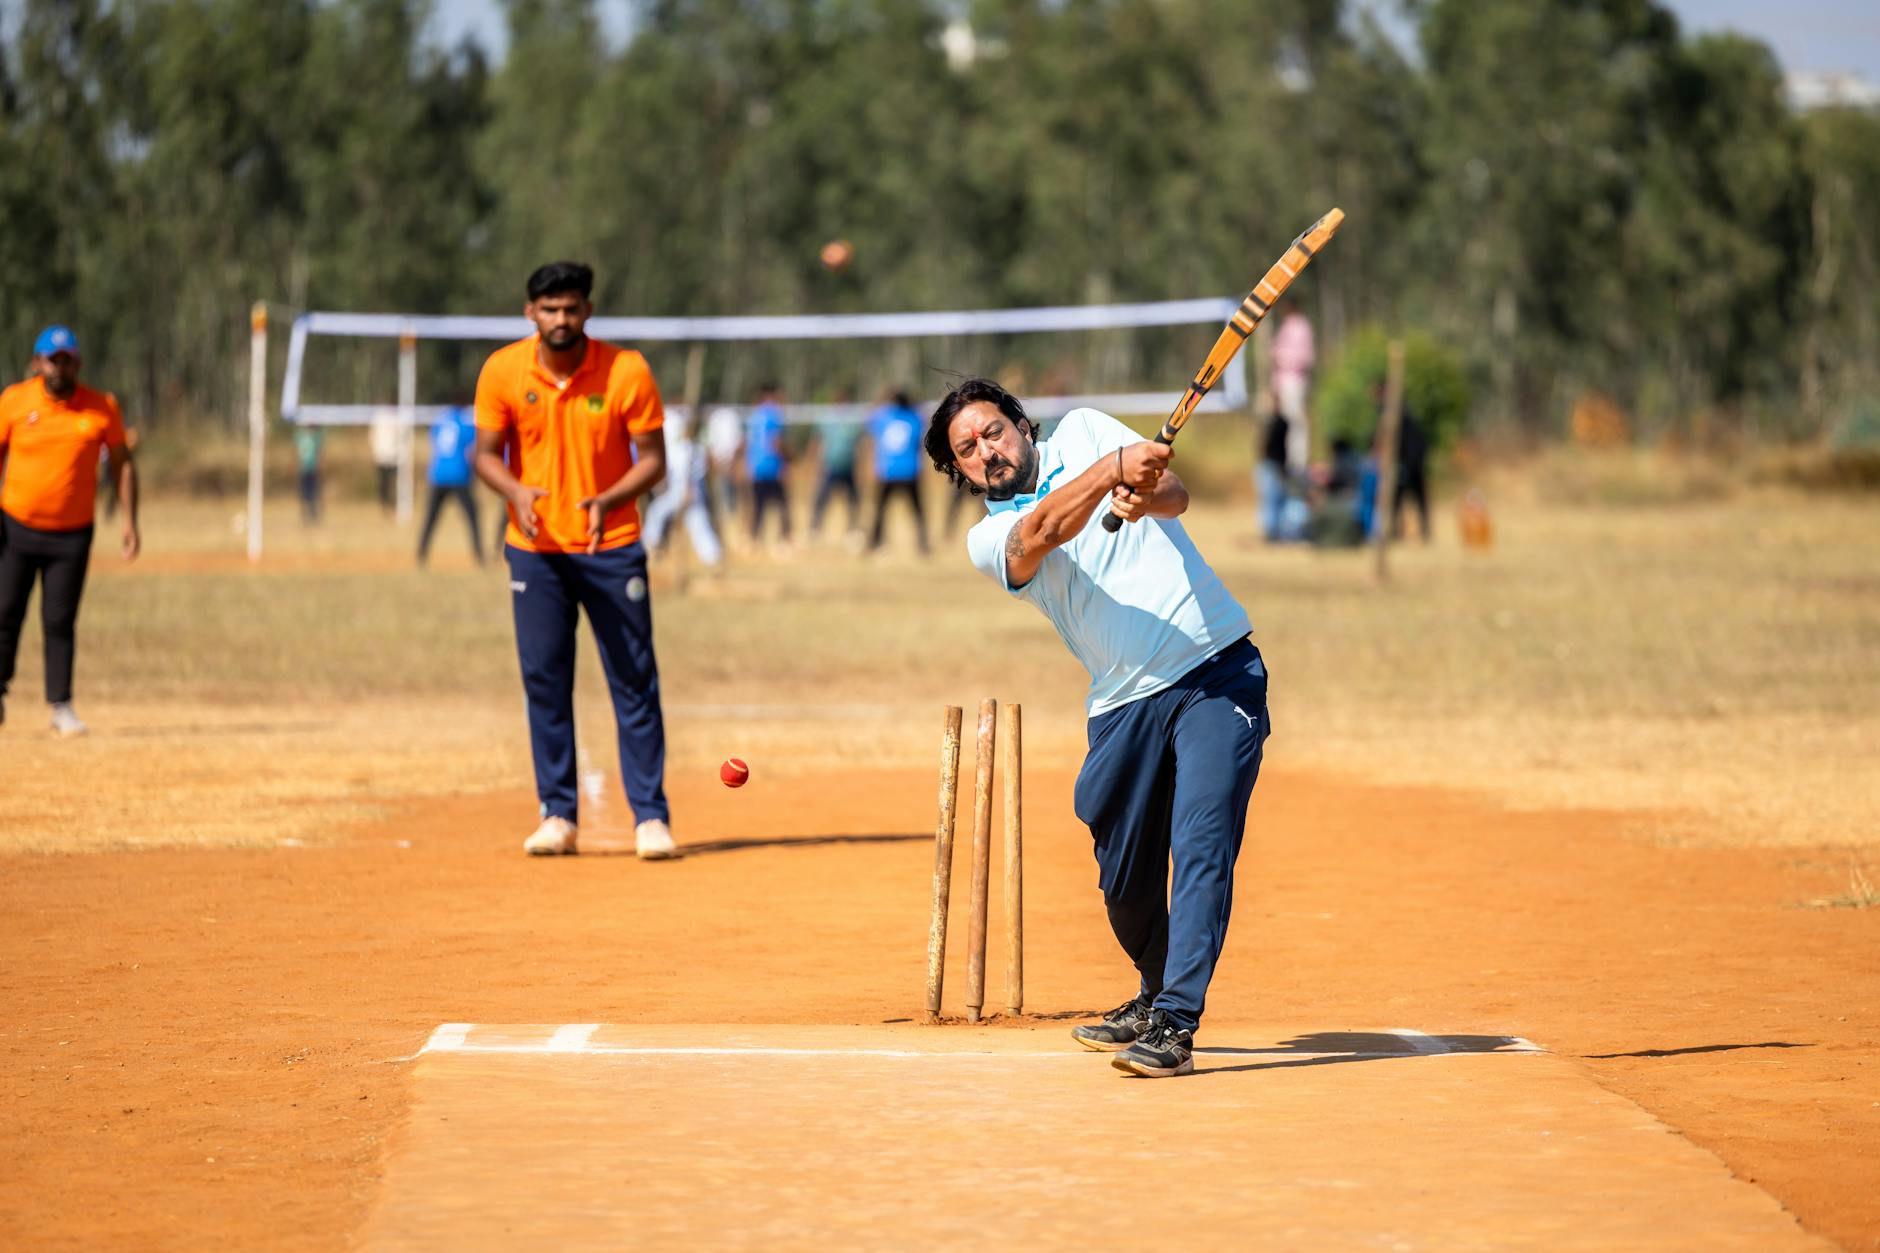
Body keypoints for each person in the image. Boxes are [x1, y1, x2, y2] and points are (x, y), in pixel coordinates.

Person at [925, 378, 1269, 1079]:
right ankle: (1152, 989)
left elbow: (1173, 494)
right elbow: (1043, 531)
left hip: (1214, 668)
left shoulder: (1083, 428)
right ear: (959, 471)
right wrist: (1113, 472)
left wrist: (1148, 493)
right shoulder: (988, 538)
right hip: (1122, 701)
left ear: (1021, 423)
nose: (986, 451)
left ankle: (1175, 1020)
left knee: (1201, 841)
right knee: (1123, 880)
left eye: (992, 431)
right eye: (967, 449)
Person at [472, 261, 677, 861]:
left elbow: (654, 460)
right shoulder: (504, 370)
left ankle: (651, 819)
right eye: (550, 309)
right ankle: (556, 814)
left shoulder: (626, 370)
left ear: (588, 310)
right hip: (535, 552)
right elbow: (485, 454)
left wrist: (610, 498)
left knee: (634, 679)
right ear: (530, 312)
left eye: (571, 307)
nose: (561, 318)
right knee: (545, 681)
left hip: (611, 548)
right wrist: (514, 491)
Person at [0, 326, 140, 737]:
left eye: (67, 359)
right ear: (38, 362)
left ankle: (61, 705)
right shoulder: (14, 401)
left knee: (59, 620)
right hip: (16, 528)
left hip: (72, 534)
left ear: (78, 362)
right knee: (4, 613)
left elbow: (123, 463)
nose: (60, 367)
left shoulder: (101, 407)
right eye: (52, 359)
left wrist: (130, 520)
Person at [641, 404, 724, 570]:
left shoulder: (681, 449)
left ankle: (650, 546)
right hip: (689, 492)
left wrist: (686, 491)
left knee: (658, 514)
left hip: (683, 491)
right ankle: (712, 556)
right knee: (697, 523)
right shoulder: (687, 447)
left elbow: (685, 473)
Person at [417, 404, 483, 566]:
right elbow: (473, 449)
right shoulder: (466, 423)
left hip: (438, 474)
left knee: (431, 516)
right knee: (472, 515)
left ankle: (421, 552)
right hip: (458, 474)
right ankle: (479, 553)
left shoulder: (440, 421)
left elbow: (436, 442)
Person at [865, 390, 928, 554]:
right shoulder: (914, 417)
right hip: (910, 470)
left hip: (888, 470)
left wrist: (881, 399)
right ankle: (923, 543)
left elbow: (870, 418)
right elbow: (919, 441)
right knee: (917, 511)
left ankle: (874, 542)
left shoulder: (883, 416)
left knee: (880, 509)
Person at [1270, 297, 1315, 475]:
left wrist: (1279, 357)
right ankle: (1287, 461)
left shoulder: (1300, 327)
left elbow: (1304, 358)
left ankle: (1297, 463)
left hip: (1294, 380)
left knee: (1295, 422)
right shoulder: (1287, 326)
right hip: (1283, 382)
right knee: (1284, 424)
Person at [808, 400, 863, 542]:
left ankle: (854, 528)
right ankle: (815, 528)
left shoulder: (852, 422)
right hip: (830, 467)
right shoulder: (827, 420)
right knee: (822, 499)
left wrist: (860, 465)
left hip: (847, 467)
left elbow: (859, 444)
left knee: (853, 500)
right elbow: (817, 441)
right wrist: (814, 462)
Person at [745, 383, 791, 547]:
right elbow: (776, 441)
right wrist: (787, 458)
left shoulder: (754, 414)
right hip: (771, 466)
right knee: (782, 504)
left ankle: (754, 539)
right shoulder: (774, 414)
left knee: (758, 505)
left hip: (756, 467)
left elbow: (749, 442)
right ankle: (784, 538)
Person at [703, 403, 744, 527]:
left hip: (726, 465)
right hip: (723, 465)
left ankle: (730, 523)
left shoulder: (720, 418)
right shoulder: (725, 418)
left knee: (729, 498)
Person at [368, 409, 400, 513]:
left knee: (394, 482)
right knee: (383, 482)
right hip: (382, 455)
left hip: (394, 456)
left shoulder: (397, 419)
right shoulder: (379, 419)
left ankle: (393, 502)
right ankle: (384, 503)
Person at [294, 424, 325, 525]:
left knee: (314, 494)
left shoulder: (315, 438)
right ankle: (305, 516)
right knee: (304, 494)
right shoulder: (300, 437)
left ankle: (314, 515)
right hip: (303, 470)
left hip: (313, 470)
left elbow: (319, 452)